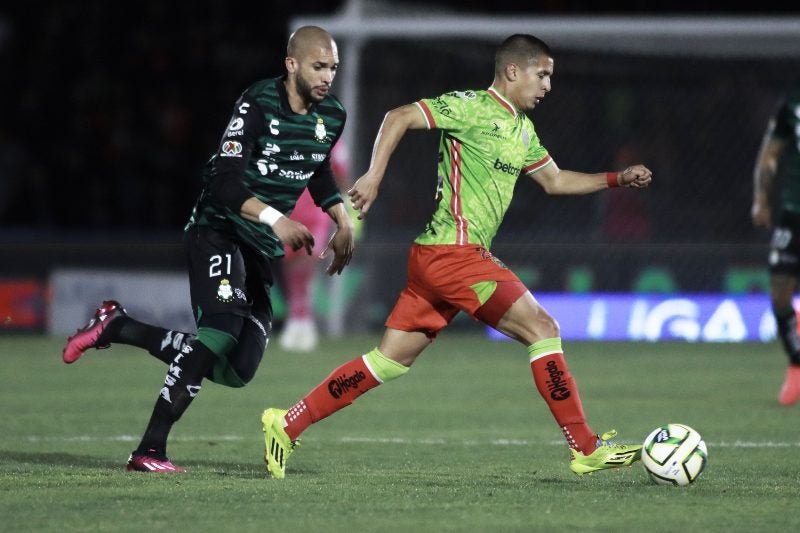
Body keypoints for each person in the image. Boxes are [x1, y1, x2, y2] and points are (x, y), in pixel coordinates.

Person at [261, 34, 652, 479]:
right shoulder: (471, 107)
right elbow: (399, 116)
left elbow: (556, 181)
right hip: (454, 253)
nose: (547, 86)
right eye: (541, 75)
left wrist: (617, 179)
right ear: (512, 71)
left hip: (439, 258)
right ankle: (584, 446)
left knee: (388, 360)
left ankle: (287, 422)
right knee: (543, 328)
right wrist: (373, 176)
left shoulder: (523, 130)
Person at [61, 25, 355, 472]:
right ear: (291, 64)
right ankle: (149, 450)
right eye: (319, 66)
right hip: (216, 228)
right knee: (218, 332)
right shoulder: (257, 103)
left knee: (238, 370)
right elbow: (222, 179)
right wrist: (278, 218)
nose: (327, 76)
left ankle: (118, 326)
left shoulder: (331, 116)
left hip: (257, 247)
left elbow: (316, 170)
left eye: (332, 67)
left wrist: (341, 217)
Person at [278, 141, 351, 352]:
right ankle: (297, 318)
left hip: (317, 208)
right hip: (288, 206)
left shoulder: (330, 139)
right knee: (291, 264)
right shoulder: (284, 135)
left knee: (306, 262)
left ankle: (302, 321)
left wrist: (345, 203)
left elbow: (341, 172)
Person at [751, 91, 800, 406]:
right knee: (779, 291)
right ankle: (797, 362)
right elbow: (769, 155)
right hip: (793, 212)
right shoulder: (791, 105)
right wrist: (761, 198)